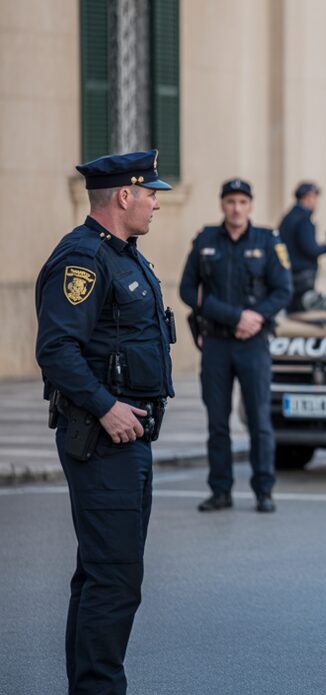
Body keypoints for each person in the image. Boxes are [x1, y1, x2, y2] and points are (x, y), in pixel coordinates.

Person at [35, 150, 175, 694]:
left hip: (129, 439)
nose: (156, 204)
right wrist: (104, 405)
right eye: (151, 194)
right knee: (115, 580)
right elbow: (57, 349)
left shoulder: (126, 255)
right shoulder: (84, 258)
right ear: (123, 196)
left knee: (101, 575)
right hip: (103, 439)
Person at [180, 178, 292, 513]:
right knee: (217, 421)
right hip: (216, 343)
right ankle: (220, 490)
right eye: (230, 201)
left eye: (242, 202)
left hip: (253, 345)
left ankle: (263, 490)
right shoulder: (205, 242)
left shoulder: (267, 241)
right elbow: (188, 290)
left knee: (259, 420)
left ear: (250, 205)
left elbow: (283, 290)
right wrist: (234, 316)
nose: (236, 208)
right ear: (222, 205)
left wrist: (254, 318)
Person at [278, 181, 326, 312]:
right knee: (302, 316)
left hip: (289, 273)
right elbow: (310, 249)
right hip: (303, 276)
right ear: (308, 197)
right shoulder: (303, 219)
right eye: (314, 198)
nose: (316, 202)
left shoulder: (289, 217)